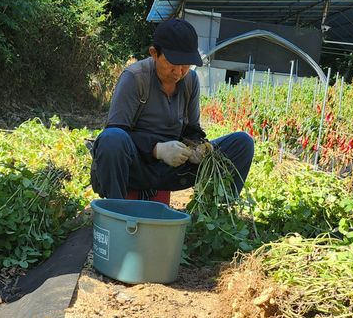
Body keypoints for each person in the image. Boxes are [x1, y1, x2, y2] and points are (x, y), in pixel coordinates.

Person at [90, 18, 254, 200]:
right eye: (172, 63)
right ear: (154, 53)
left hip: (173, 170)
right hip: (137, 167)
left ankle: (220, 214)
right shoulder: (135, 78)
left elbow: (192, 131)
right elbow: (117, 131)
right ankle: (116, 212)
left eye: (185, 65)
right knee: (111, 139)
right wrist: (157, 150)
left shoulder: (191, 81)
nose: (178, 72)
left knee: (242, 143)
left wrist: (197, 148)